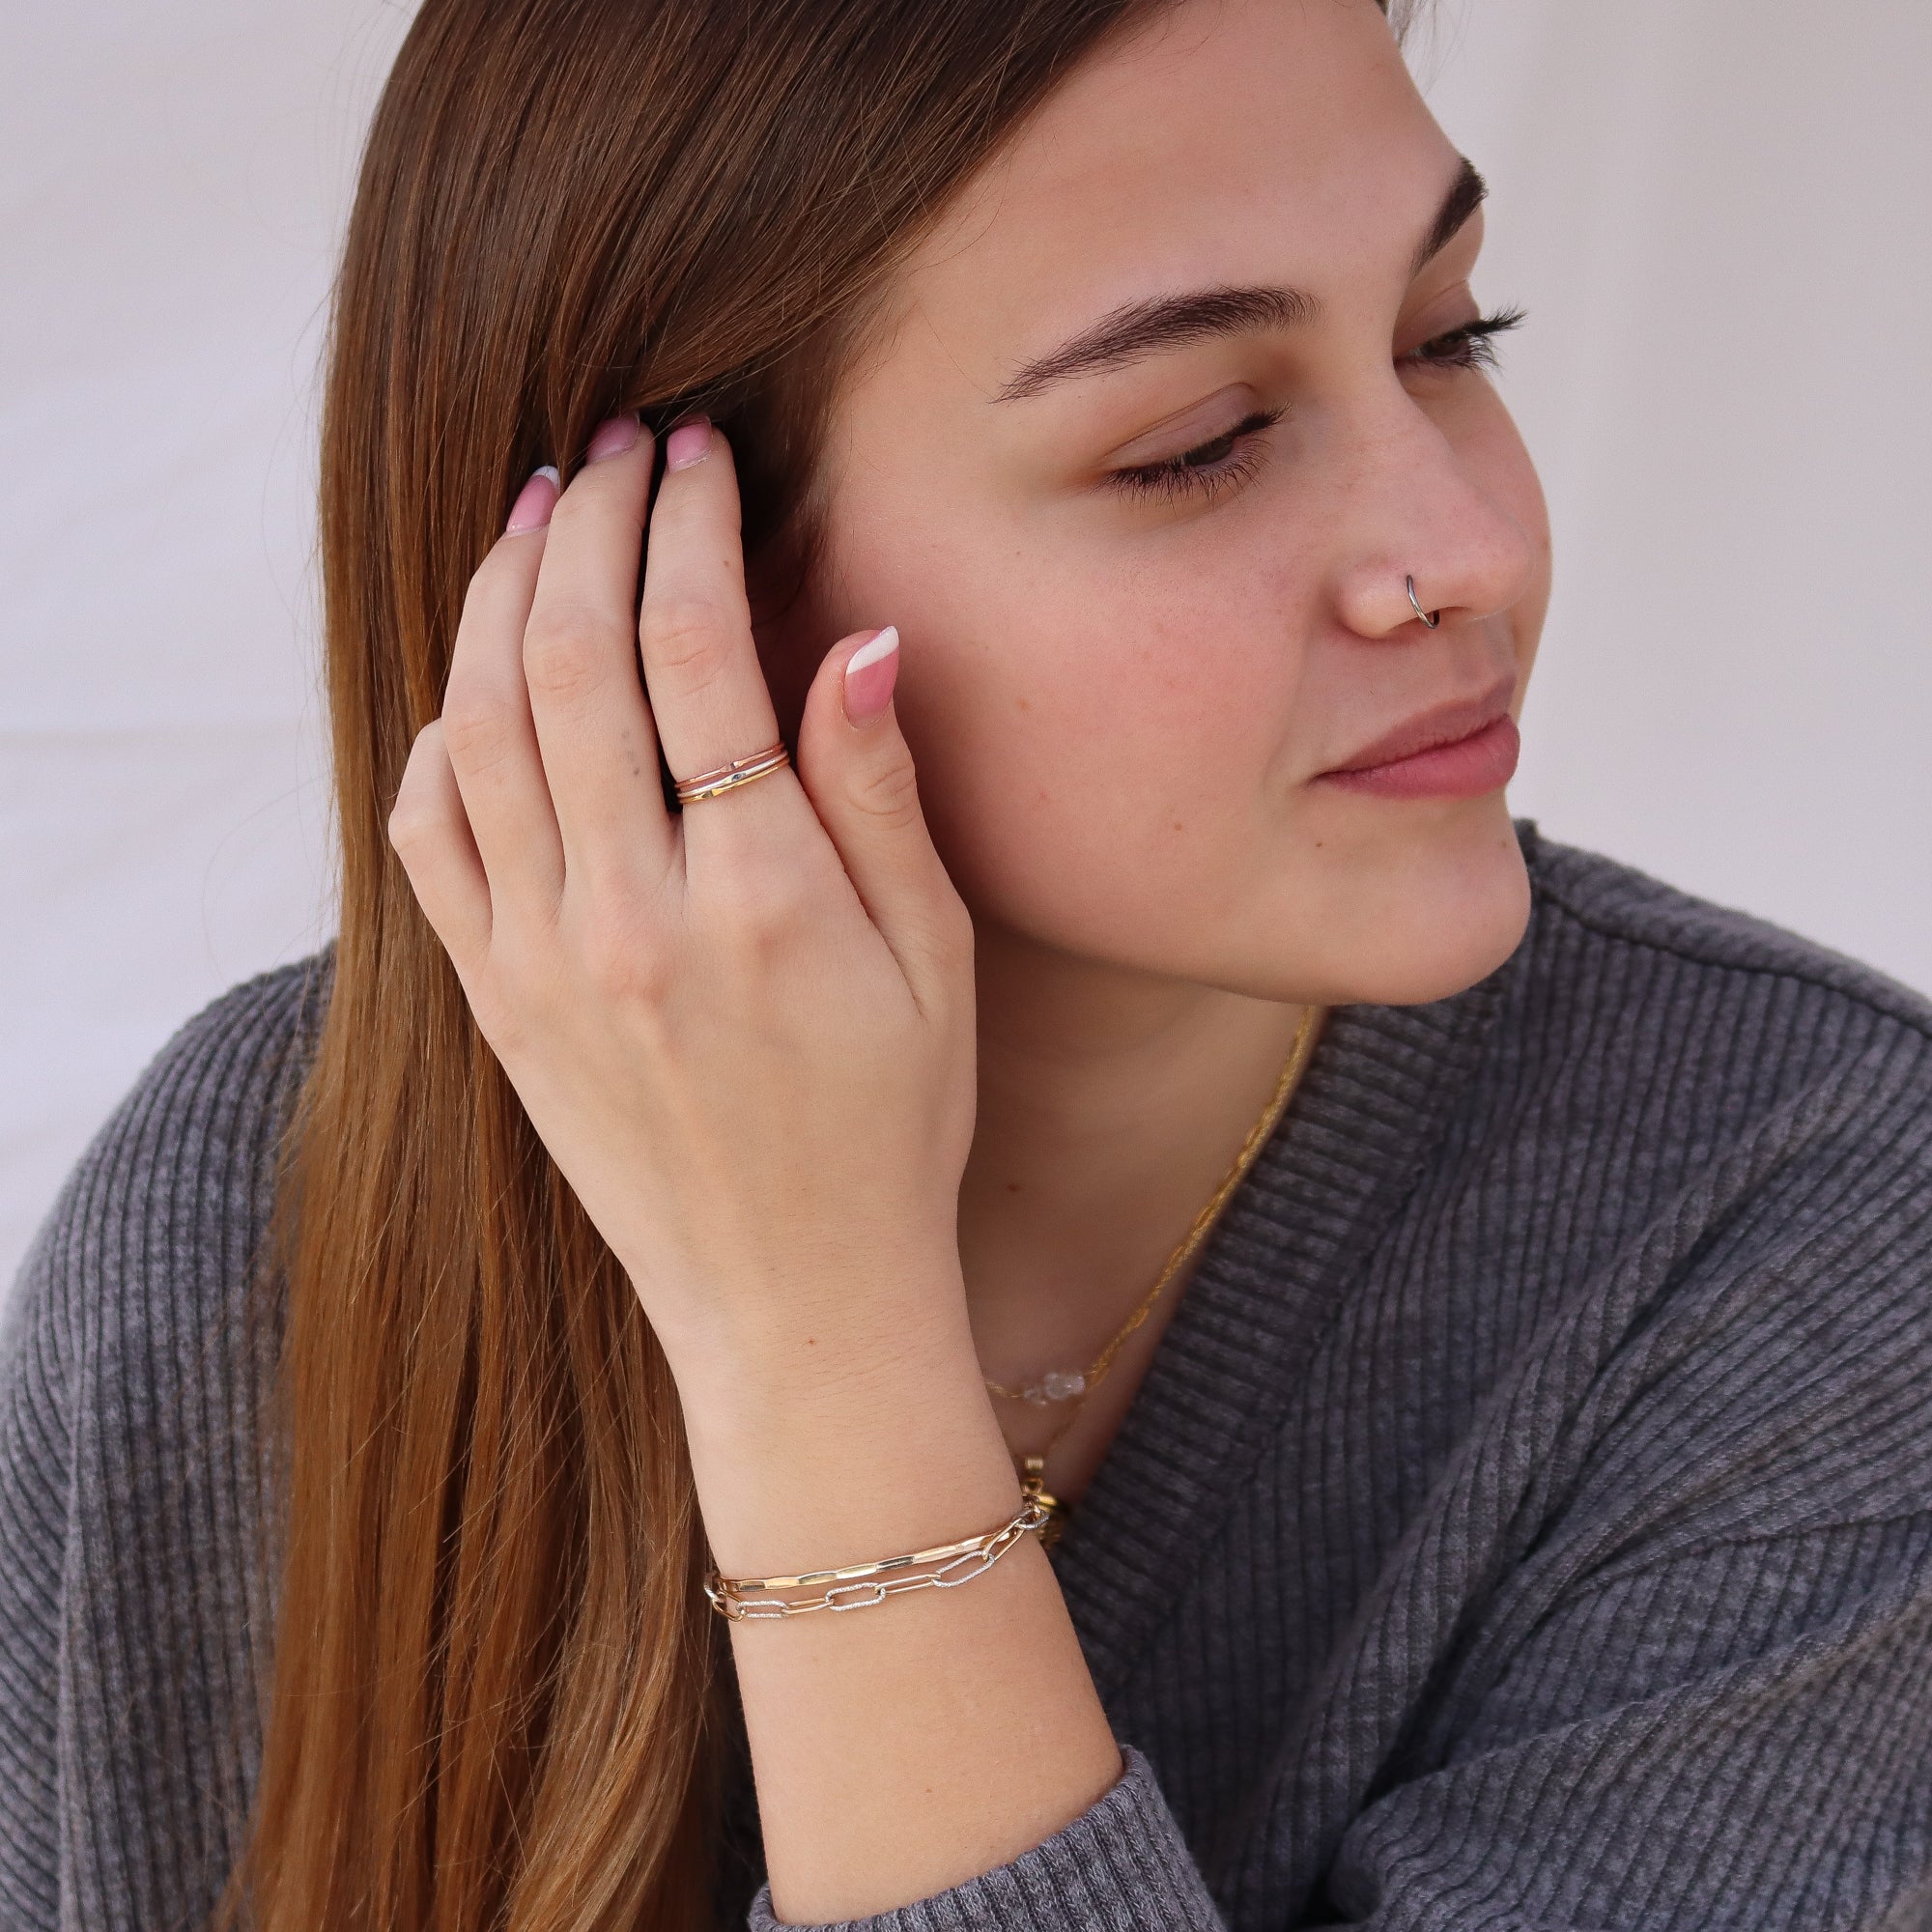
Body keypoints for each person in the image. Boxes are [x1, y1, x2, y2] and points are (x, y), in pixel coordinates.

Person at [3, 0, 1930, 1925]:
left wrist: (824, 1360)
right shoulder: (235, 1225)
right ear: (667, 588)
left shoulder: (1815, 1245)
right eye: (1200, 444)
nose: (1464, 548)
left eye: (1447, 338)